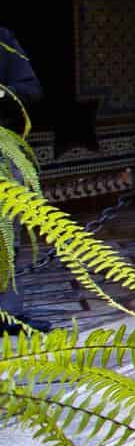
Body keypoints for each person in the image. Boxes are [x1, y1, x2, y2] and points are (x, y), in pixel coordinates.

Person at [0, 28, 50, 331]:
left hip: (2, 151)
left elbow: (31, 89)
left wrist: (1, 92)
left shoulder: (2, 38)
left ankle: (8, 314)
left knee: (6, 237)